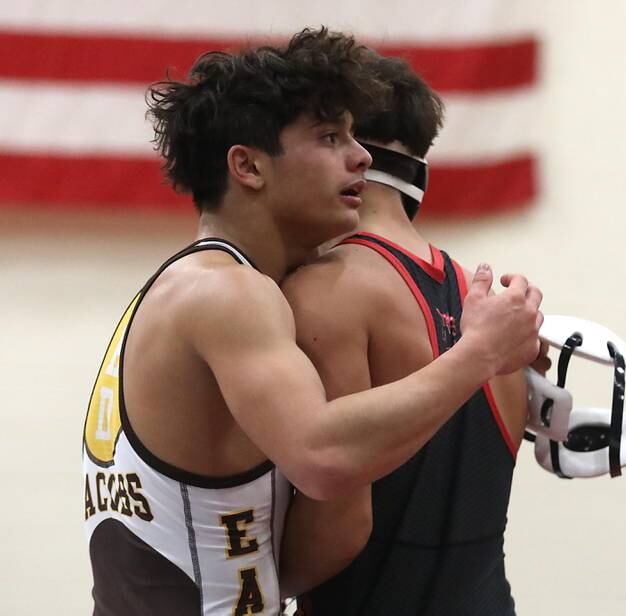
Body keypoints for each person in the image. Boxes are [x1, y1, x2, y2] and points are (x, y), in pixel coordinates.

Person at [81, 28, 544, 616]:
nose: (361, 156)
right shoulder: (228, 293)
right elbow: (322, 460)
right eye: (330, 137)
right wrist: (477, 354)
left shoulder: (205, 286)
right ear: (247, 166)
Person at [280, 53, 548, 616]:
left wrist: (234, 589)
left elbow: (341, 526)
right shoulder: (497, 313)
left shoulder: (327, 292)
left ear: (346, 148)